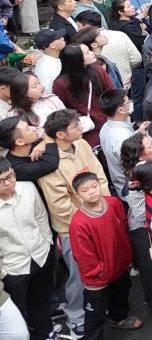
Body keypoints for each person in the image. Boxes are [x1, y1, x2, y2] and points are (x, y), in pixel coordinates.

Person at [40, 108, 110, 336]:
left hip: (99, 214)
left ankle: (96, 308)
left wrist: (105, 206)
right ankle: (76, 316)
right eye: (76, 126)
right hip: (74, 229)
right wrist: (88, 219)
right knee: (79, 275)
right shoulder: (50, 161)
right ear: (60, 134)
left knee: (101, 266)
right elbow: (59, 205)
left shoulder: (81, 145)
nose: (82, 128)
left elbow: (98, 173)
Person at [68, 170, 140, 340]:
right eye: (85, 190)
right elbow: (84, 255)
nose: (92, 191)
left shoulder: (113, 202)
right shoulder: (78, 223)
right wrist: (100, 271)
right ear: (77, 195)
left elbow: (123, 226)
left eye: (94, 186)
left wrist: (126, 256)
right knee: (95, 311)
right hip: (99, 275)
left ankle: (119, 318)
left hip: (119, 263)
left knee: (122, 291)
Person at [0, 157, 57, 340]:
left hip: (40, 254)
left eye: (11, 175)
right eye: (2, 180)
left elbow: (41, 217)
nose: (9, 182)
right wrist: (3, 272)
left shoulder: (28, 188)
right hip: (13, 267)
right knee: (17, 310)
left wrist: (48, 243)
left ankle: (46, 333)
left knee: (40, 301)